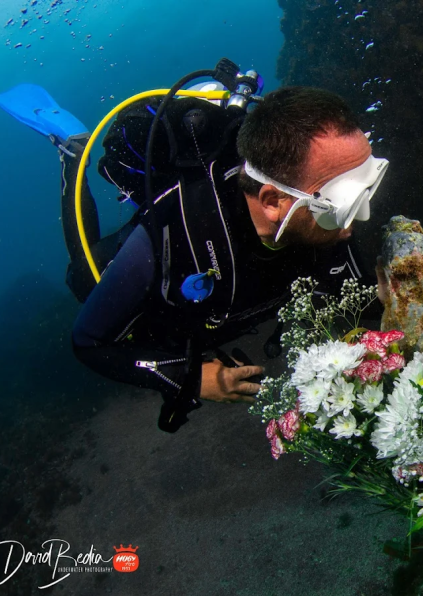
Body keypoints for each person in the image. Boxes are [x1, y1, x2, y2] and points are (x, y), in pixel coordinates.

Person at [0, 76, 388, 432]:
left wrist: (400, 291)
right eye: (343, 205)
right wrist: (190, 377)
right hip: (149, 302)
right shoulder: (172, 231)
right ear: (273, 201)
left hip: (223, 308)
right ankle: (73, 150)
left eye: (363, 194)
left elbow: (353, 291)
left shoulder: (321, 220)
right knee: (81, 277)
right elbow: (88, 343)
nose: (357, 221)